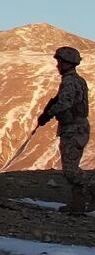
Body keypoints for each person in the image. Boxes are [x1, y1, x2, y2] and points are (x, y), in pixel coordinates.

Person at [39, 46, 89, 214]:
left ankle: (89, 192)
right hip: (76, 127)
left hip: (73, 128)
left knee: (70, 170)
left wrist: (48, 114)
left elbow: (65, 104)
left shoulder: (69, 81)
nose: (57, 65)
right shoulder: (78, 80)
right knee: (71, 167)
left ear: (67, 63)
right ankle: (78, 204)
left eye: (60, 62)